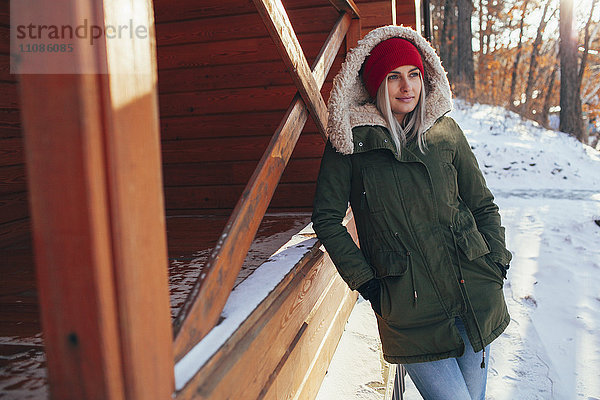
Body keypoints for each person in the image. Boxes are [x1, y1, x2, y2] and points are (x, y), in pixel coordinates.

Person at [311, 25, 512, 400]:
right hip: (409, 305)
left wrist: (497, 260)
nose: (408, 87)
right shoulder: (350, 144)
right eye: (394, 77)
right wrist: (368, 283)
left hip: (473, 289)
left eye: (415, 74)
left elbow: (481, 204)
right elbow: (326, 219)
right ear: (376, 85)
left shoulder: (445, 131)